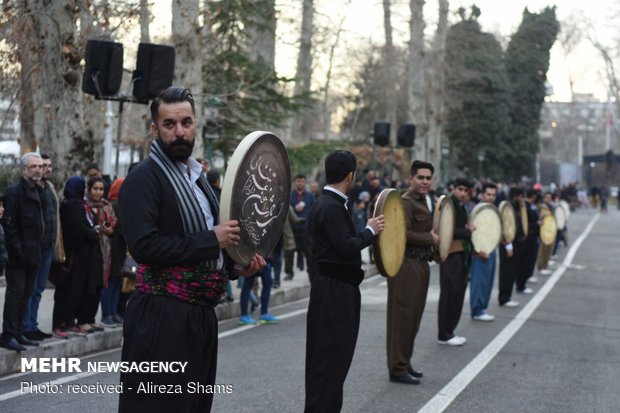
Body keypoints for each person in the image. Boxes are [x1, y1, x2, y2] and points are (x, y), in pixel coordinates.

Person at [118, 86, 264, 412]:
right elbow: (144, 247)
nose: (179, 131)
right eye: (169, 124)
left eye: (186, 122)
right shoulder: (143, 178)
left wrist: (236, 267)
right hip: (161, 315)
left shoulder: (197, 179)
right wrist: (211, 239)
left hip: (200, 314)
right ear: (155, 129)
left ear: (196, 124)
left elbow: (210, 250)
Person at [304, 150, 384, 412]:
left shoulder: (323, 203)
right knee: (330, 361)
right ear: (350, 176)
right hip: (335, 293)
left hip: (328, 288)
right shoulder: (332, 206)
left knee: (327, 363)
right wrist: (370, 230)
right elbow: (346, 247)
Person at [386, 160, 439, 385]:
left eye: (428, 178)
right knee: (402, 317)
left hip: (421, 264)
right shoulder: (406, 202)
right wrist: (430, 239)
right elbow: (402, 233)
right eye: (421, 178)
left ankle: (405, 362)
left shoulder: (426, 201)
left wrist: (436, 250)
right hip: (406, 265)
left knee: (414, 318)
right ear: (411, 179)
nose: (425, 182)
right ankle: (397, 368)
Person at [0, 153, 46, 351]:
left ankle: (18, 332)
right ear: (23, 169)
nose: (38, 169)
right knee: (15, 295)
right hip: (18, 258)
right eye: (33, 166)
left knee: (26, 295)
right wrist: (19, 252)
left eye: (40, 166)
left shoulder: (39, 191)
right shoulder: (14, 193)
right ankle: (8, 335)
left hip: (34, 255)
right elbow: (11, 227)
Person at [22, 154, 57, 341]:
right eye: (43, 165)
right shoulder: (34, 189)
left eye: (49, 165)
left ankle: (32, 324)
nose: (46, 169)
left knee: (39, 289)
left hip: (49, 246)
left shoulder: (49, 188)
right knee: (31, 289)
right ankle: (26, 326)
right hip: (36, 247)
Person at [437, 177, 474, 346]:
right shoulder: (448, 204)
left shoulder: (461, 207)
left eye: (466, 191)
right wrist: (467, 231)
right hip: (451, 254)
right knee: (450, 294)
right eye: (460, 189)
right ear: (453, 188)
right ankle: (445, 333)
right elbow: (447, 230)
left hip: (461, 255)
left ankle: (449, 331)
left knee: (458, 293)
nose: (463, 193)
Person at [470, 182, 498, 322]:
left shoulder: (493, 209)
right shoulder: (477, 209)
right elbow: (472, 232)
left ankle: (482, 309)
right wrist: (477, 251)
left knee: (488, 281)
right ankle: (477, 310)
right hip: (480, 251)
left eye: (493, 195)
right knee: (479, 281)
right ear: (482, 195)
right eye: (488, 194)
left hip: (491, 249)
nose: (491, 197)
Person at [100, 178, 125, 326]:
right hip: (114, 247)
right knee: (111, 282)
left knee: (117, 282)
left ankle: (113, 312)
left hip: (120, 248)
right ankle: (107, 313)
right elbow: (120, 228)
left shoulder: (122, 205)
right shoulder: (115, 206)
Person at [498, 187, 525, 308]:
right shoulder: (508, 208)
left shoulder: (516, 207)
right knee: (506, 272)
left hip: (514, 244)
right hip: (508, 245)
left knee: (511, 271)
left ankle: (507, 296)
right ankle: (504, 298)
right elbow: (506, 229)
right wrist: (508, 245)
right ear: (515, 196)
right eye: (520, 196)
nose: (522, 199)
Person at [289, 174, 314, 275]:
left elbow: (313, 210)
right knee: (290, 251)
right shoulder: (290, 195)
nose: (300, 183)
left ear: (305, 182)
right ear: (295, 182)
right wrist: (294, 208)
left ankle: (310, 271)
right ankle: (289, 272)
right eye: (298, 181)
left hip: (305, 228)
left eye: (302, 181)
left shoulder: (309, 196)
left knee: (308, 251)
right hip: (292, 228)